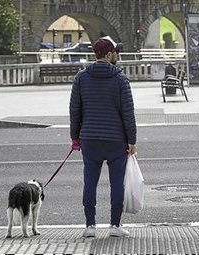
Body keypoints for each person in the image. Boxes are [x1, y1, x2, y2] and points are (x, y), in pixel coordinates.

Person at [69, 35, 137, 238]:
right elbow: (128, 113)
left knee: (90, 182)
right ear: (108, 54)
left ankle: (90, 226)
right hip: (116, 140)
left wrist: (75, 137)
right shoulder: (120, 79)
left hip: (90, 139)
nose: (118, 55)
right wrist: (132, 140)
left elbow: (75, 110)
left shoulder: (81, 78)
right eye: (116, 52)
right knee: (117, 183)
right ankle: (115, 226)